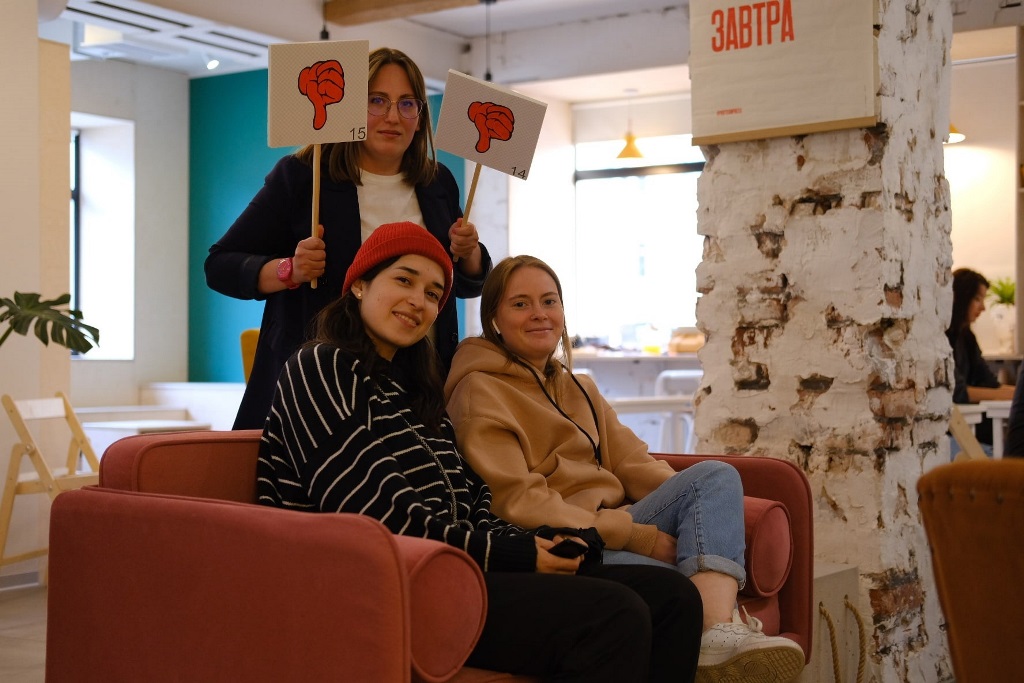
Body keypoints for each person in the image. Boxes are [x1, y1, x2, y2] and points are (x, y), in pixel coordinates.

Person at [255, 223, 703, 683]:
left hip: (457, 569)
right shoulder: (321, 365)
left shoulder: (418, 395)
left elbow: (471, 506)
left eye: (433, 294)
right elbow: (380, 516)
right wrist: (517, 554)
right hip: (382, 585)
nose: (418, 301)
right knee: (615, 612)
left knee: (673, 596)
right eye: (404, 280)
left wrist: (542, 541)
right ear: (360, 284)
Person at [444, 255, 805, 683]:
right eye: (520, 304)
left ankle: (714, 634)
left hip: (615, 517)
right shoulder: (479, 390)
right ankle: (718, 632)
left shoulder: (578, 385)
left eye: (549, 301)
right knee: (675, 585)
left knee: (716, 475)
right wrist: (636, 535)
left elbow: (633, 462)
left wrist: (695, 512)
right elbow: (519, 502)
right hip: (563, 535)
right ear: (494, 319)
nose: (539, 313)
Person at [206, 47, 491, 430]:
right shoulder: (303, 176)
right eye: (377, 100)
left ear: (421, 117)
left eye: (407, 103)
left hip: (417, 385)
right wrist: (290, 270)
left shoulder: (437, 182)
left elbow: (462, 284)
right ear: (349, 106)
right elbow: (219, 266)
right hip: (318, 391)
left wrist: (469, 254)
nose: (393, 116)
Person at [946, 268, 1015, 452]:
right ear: (961, 297)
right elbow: (957, 392)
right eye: (977, 299)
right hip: (952, 429)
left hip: (971, 423)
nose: (983, 307)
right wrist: (1015, 396)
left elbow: (989, 382)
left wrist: (1016, 393)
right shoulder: (944, 338)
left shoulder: (967, 337)